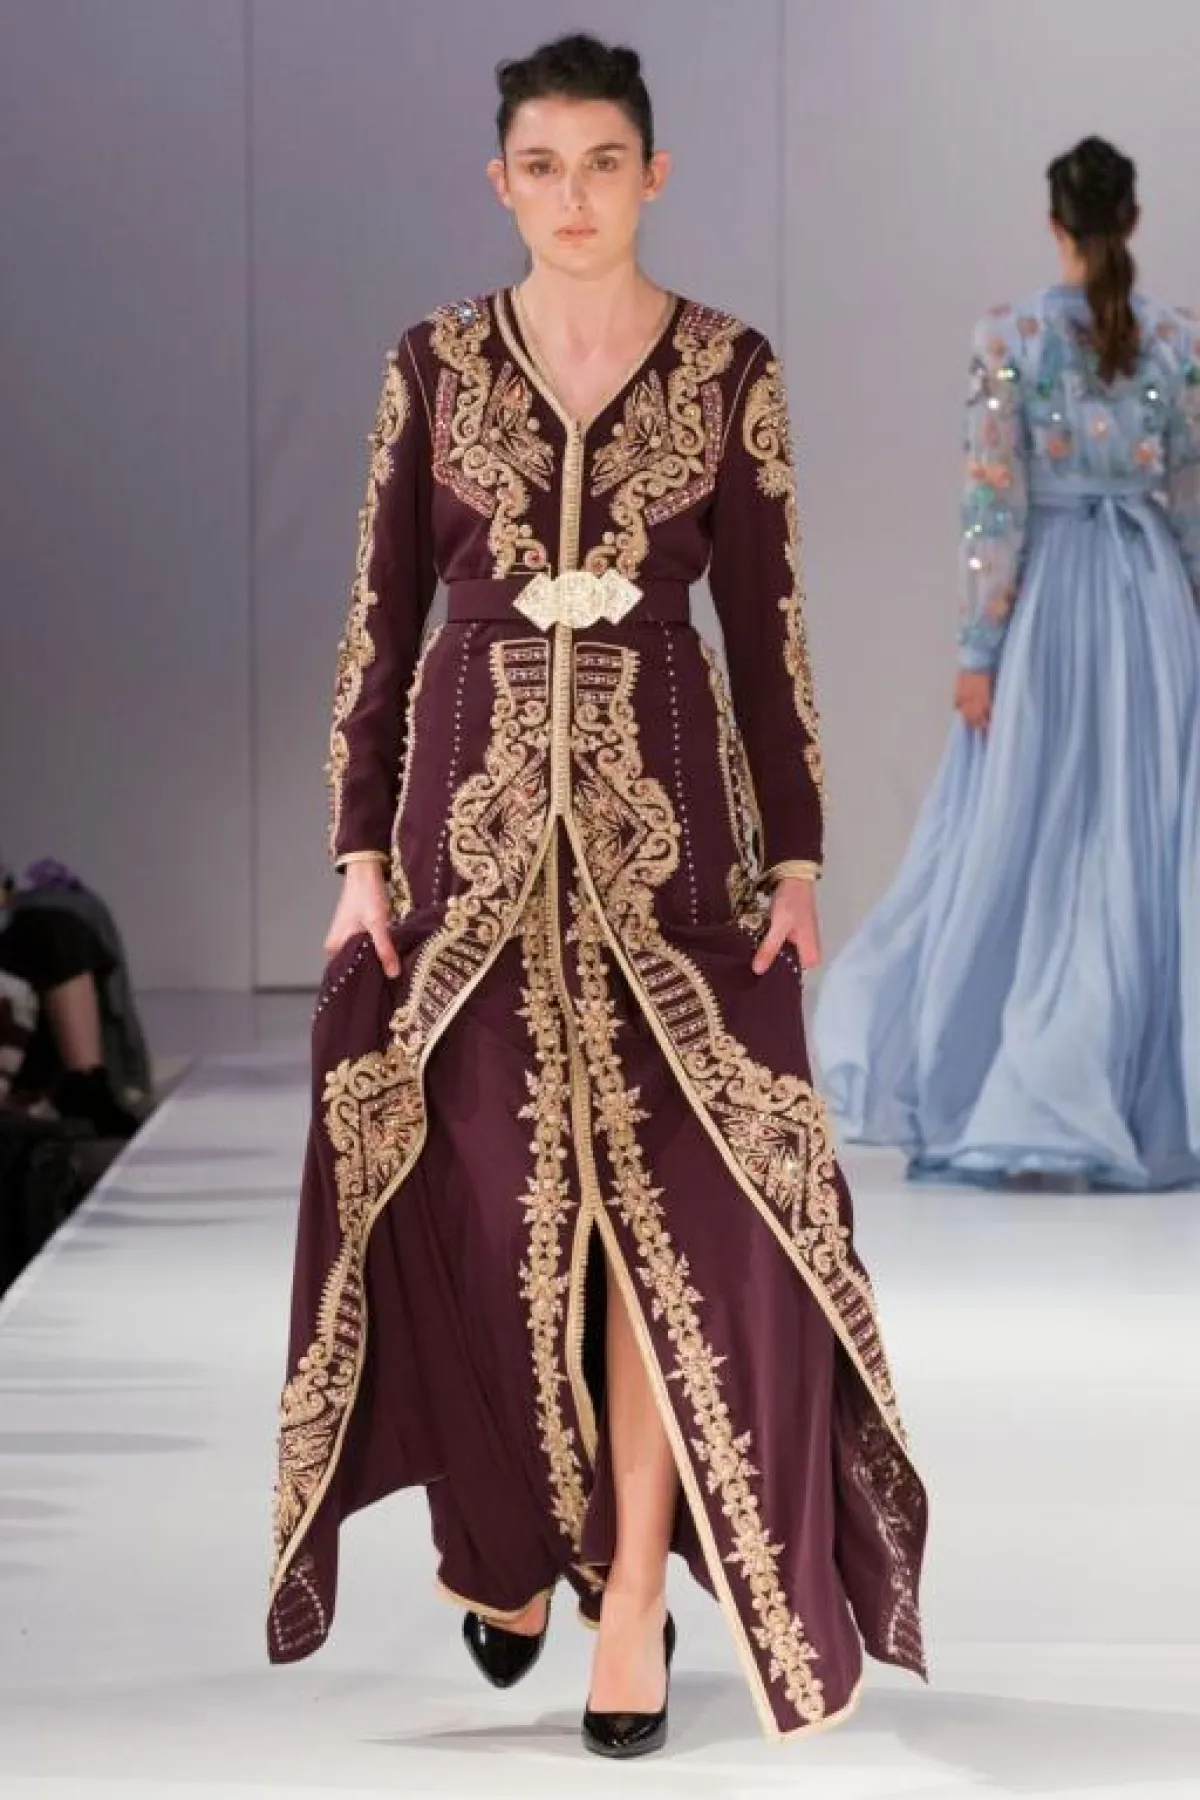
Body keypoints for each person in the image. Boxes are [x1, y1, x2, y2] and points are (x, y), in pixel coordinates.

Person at [267, 34, 926, 1755]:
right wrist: (357, 852)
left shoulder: (728, 368)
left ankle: (631, 1593)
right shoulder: (432, 365)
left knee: (670, 1233)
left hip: (676, 853)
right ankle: (508, 1543)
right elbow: (380, 615)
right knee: (490, 1213)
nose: (575, 197)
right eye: (543, 167)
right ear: (502, 184)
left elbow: (767, 625)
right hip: (467, 849)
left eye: (605, 162)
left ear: (655, 175)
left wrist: (798, 855)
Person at [814, 137, 1200, 1191]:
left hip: (1055, 606)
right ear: (1133, 220)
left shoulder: (1012, 336)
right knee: (1140, 837)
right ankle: (1132, 1090)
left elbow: (994, 504)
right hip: (1152, 608)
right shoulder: (1178, 341)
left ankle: (1033, 1080)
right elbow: (1191, 507)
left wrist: (978, 651)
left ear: (1053, 223)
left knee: (1034, 830)